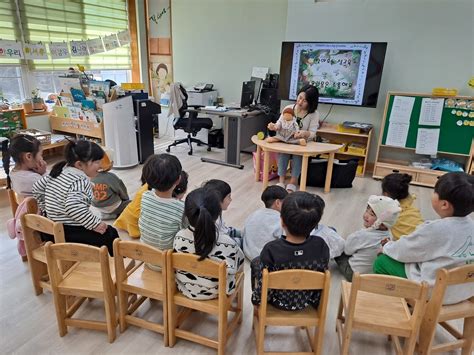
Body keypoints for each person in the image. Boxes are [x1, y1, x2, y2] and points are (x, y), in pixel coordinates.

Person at [374, 172, 474, 305]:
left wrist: (387, 247)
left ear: (444, 204)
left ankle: (400, 307)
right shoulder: (471, 225)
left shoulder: (437, 229)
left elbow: (406, 251)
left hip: (435, 293)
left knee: (381, 262)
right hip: (464, 291)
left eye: (435, 191)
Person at [32, 140, 119, 255]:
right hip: (68, 234)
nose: (100, 166)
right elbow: (74, 207)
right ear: (79, 165)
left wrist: (44, 207)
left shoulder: (59, 170)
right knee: (110, 233)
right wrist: (95, 224)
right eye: (97, 162)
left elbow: (37, 187)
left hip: (50, 231)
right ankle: (117, 264)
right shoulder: (81, 181)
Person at [252, 192, 330, 311]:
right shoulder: (321, 246)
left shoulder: (271, 249)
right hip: (306, 301)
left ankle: (258, 305)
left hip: (276, 301)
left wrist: (256, 300)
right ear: (315, 225)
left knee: (256, 263)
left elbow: (264, 282)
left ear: (282, 222)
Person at [173, 187, 244, 300]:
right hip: (217, 293)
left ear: (187, 213)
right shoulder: (227, 243)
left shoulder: (179, 236)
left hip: (186, 289)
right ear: (217, 213)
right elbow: (239, 266)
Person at [267, 84, 320, 192]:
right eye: (300, 98)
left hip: (301, 142)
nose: (300, 102)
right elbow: (279, 124)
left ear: (311, 102)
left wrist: (305, 133)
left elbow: (313, 133)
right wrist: (274, 127)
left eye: (304, 101)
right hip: (285, 139)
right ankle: (281, 180)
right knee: (283, 153)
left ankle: (293, 181)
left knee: (297, 155)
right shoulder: (289, 108)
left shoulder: (314, 114)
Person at [334, 196, 401, 281]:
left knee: (337, 245)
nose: (366, 215)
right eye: (367, 210)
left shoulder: (363, 235)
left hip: (354, 274)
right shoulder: (389, 236)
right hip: (370, 276)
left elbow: (347, 250)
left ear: (383, 224)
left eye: (372, 214)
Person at [139, 154, 187, 268]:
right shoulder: (181, 208)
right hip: (167, 264)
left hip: (147, 257)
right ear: (178, 180)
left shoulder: (145, 196)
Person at [242, 185, 288, 261]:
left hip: (248, 254)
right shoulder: (279, 220)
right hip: (267, 258)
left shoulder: (253, 214)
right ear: (278, 203)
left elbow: (244, 233)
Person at [4, 134, 47, 200]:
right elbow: (53, 189)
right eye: (41, 154)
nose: (42, 158)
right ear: (29, 156)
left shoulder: (12, 173)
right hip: (40, 209)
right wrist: (44, 173)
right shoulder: (33, 178)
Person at [381, 173, 424, 240]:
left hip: (405, 245)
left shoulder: (391, 212)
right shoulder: (409, 200)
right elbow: (411, 197)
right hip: (422, 235)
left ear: (386, 194)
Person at [91, 151, 130, 220]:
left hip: (97, 206)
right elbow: (121, 190)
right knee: (131, 204)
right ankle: (113, 215)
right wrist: (126, 199)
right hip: (113, 206)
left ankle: (105, 213)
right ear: (110, 163)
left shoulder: (89, 176)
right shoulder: (111, 177)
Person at [202, 179, 241, 245]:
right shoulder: (214, 221)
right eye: (229, 197)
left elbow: (226, 230)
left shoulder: (211, 213)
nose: (231, 199)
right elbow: (226, 238)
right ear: (218, 200)